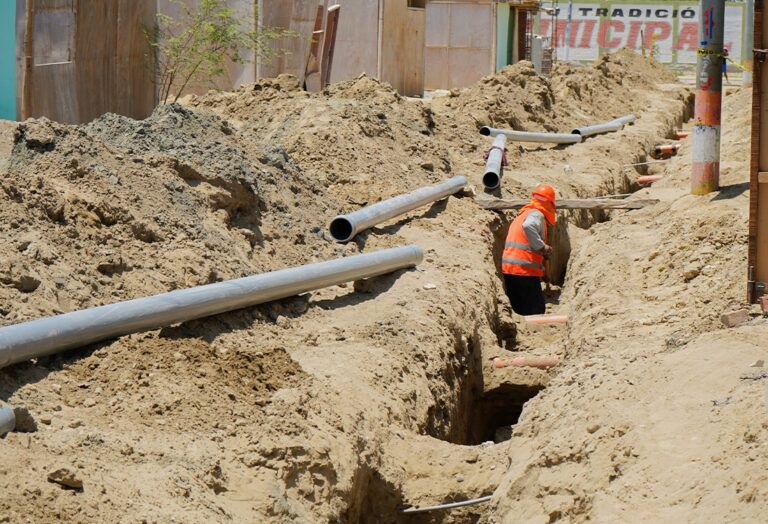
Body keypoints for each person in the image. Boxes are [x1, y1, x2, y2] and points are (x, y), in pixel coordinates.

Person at [501, 184, 557, 315]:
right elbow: (528, 226)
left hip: (509, 269)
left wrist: (543, 270)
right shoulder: (536, 214)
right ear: (550, 203)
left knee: (519, 310)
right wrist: (542, 246)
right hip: (524, 271)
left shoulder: (523, 213)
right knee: (536, 310)